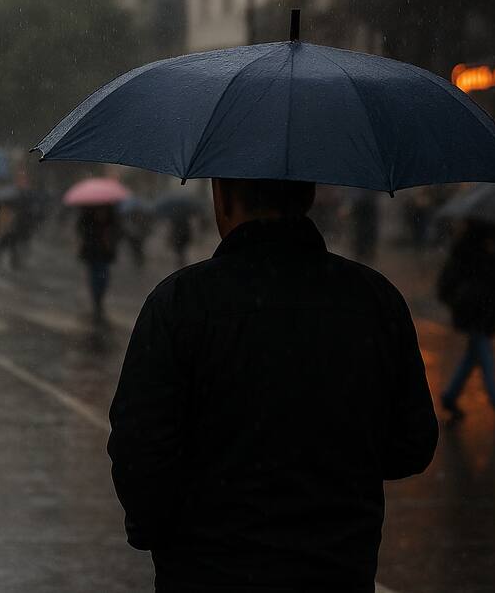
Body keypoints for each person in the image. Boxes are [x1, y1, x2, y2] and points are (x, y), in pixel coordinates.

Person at [107, 178, 437, 591]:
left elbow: (141, 450)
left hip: (207, 573)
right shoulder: (373, 299)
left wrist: (158, 534)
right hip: (336, 571)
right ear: (310, 194)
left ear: (222, 195)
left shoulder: (180, 304)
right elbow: (412, 446)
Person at [437, 219, 495, 424]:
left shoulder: (475, 253)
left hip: (476, 316)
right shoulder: (481, 256)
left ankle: (450, 397)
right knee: (486, 360)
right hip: (478, 318)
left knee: (471, 359)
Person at [76, 205, 120, 321]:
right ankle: (96, 299)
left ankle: (100, 296)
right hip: (92, 251)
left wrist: (108, 231)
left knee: (104, 276)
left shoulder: (111, 213)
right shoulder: (87, 212)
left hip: (105, 252)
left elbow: (118, 230)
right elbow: (80, 228)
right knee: (94, 275)